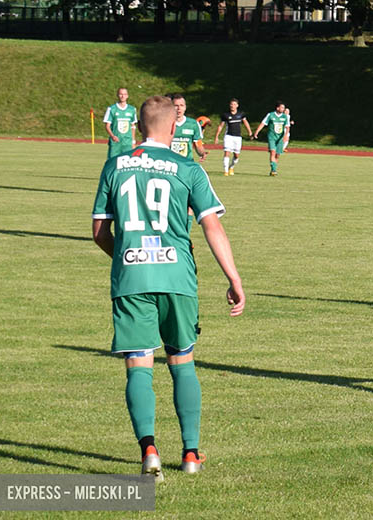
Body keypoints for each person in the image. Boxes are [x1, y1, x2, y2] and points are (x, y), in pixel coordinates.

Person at [92, 95, 246, 481]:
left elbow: (99, 232)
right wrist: (234, 278)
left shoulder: (114, 166)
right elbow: (212, 226)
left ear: (138, 127)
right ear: (174, 127)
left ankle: (149, 452)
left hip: (132, 279)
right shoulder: (187, 168)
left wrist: (126, 257)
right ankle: (191, 454)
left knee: (138, 366)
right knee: (182, 361)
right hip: (177, 276)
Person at [213, 98, 253, 176]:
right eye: (231, 104)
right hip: (228, 136)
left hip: (238, 137)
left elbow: (246, 123)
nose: (232, 106)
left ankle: (231, 167)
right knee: (227, 152)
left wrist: (250, 132)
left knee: (236, 155)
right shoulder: (226, 115)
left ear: (237, 105)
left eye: (234, 104)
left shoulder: (241, 114)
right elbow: (221, 126)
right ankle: (225, 171)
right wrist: (216, 136)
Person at [170, 94, 209, 163]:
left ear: (185, 107)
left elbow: (198, 144)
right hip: (170, 164)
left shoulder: (193, 124)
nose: (179, 108)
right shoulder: (165, 124)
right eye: (176, 105)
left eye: (181, 105)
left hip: (187, 164)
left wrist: (202, 153)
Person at [254, 101, 289, 176]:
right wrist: (257, 132)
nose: (283, 109)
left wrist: (286, 135)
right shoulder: (270, 115)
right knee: (272, 152)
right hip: (272, 137)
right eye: (282, 107)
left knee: (277, 155)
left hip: (280, 138)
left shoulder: (285, 116)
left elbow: (287, 126)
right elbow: (263, 123)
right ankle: (274, 170)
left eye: (284, 107)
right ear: (277, 108)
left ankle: (273, 169)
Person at [103, 87, 138, 159]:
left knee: (127, 164)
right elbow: (107, 126)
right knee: (112, 163)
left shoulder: (132, 109)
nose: (123, 96)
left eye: (124, 94)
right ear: (117, 95)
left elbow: (133, 126)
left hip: (127, 142)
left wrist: (133, 141)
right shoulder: (111, 109)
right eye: (121, 94)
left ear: (127, 96)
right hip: (116, 142)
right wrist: (112, 136)